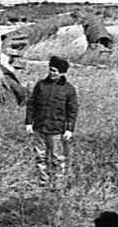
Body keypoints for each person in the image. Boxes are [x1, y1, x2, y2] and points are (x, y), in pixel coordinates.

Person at [23, 56, 79, 189]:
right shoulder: (41, 85)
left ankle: (57, 185)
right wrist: (29, 122)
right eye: (50, 69)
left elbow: (72, 110)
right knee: (40, 156)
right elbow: (31, 104)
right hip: (39, 127)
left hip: (57, 130)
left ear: (62, 73)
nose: (51, 73)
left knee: (57, 158)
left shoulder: (69, 89)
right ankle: (42, 182)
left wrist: (69, 129)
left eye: (54, 71)